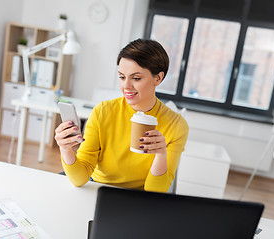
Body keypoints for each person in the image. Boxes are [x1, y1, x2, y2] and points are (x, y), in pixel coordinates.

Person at [55, 39, 189, 193]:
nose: (126, 86)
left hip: (137, 199)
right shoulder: (103, 111)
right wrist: (65, 149)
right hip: (99, 188)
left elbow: (155, 192)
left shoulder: (176, 125)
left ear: (158, 78)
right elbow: (79, 179)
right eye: (122, 77)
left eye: (136, 78)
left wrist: (160, 155)